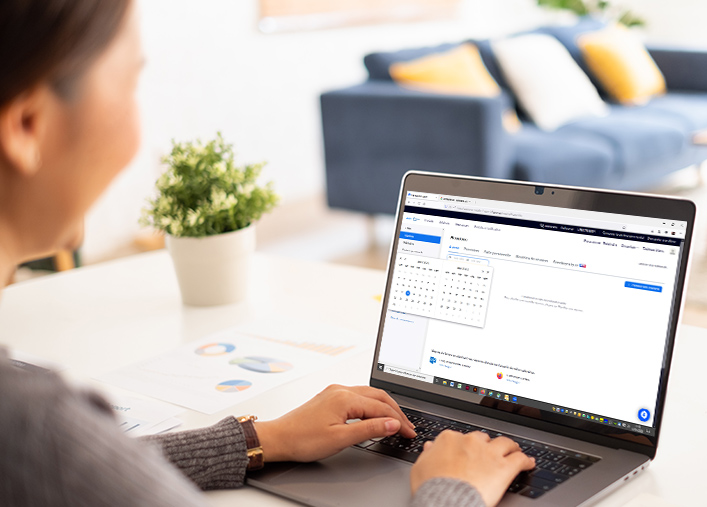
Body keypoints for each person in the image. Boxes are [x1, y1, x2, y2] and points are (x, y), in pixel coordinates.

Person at [0, 1, 535, 506]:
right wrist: (453, 491)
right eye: (129, 83)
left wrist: (264, 439)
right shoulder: (32, 424)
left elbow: (88, 471)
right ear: (28, 126)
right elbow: (61, 459)